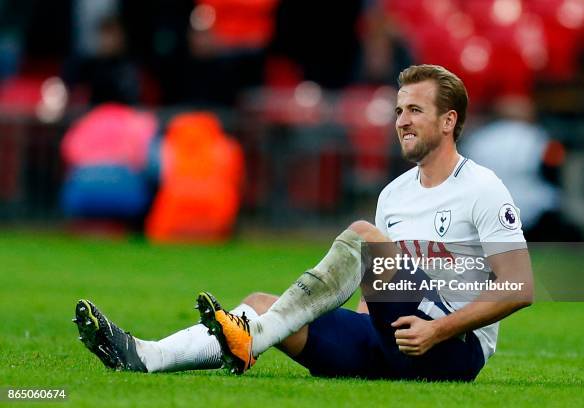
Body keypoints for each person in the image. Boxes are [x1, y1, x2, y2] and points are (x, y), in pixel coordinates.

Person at [73, 64, 533, 381]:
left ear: (449, 120)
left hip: (453, 348)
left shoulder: (482, 187)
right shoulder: (394, 194)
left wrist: (439, 330)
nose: (401, 121)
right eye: (397, 110)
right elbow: (376, 294)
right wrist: (363, 330)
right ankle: (145, 356)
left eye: (414, 110)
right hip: (394, 344)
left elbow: (520, 287)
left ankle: (252, 339)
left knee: (362, 236)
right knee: (260, 303)